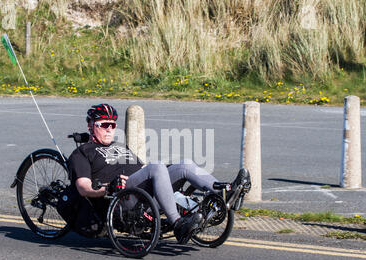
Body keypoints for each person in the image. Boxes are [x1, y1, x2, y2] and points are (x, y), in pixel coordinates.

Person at [67, 103, 249, 244]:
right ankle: (178, 223)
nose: (109, 129)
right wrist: (107, 188)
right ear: (91, 125)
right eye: (104, 124)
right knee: (157, 166)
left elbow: (142, 170)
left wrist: (168, 172)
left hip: (145, 194)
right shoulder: (83, 152)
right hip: (122, 199)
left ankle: (225, 192)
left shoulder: (120, 147)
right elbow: (83, 188)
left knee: (183, 164)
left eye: (113, 125)